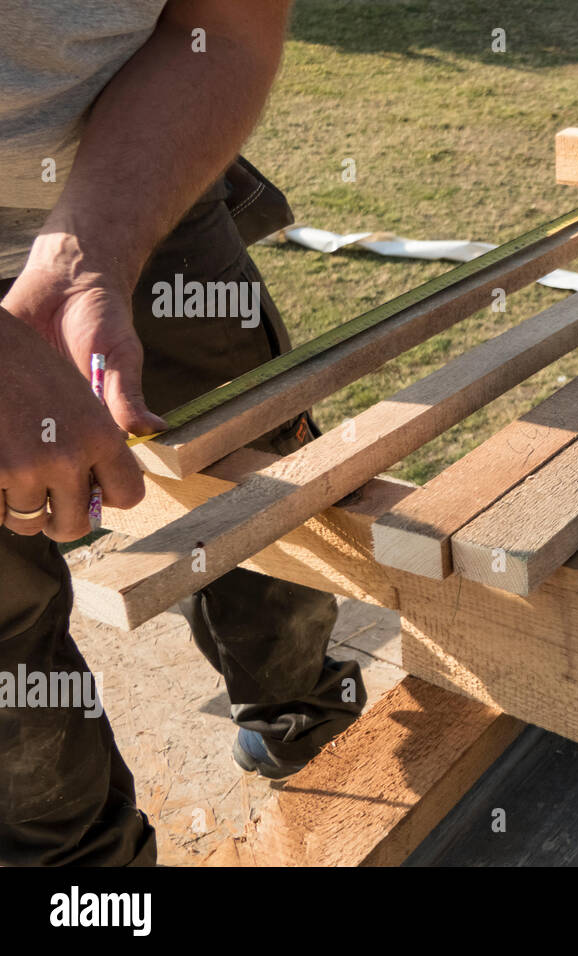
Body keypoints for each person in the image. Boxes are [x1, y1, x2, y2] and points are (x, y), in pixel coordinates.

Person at [0, 0, 366, 866]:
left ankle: (296, 713)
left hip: (145, 200)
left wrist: (91, 257)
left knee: (268, 498)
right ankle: (82, 880)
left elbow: (222, 30)